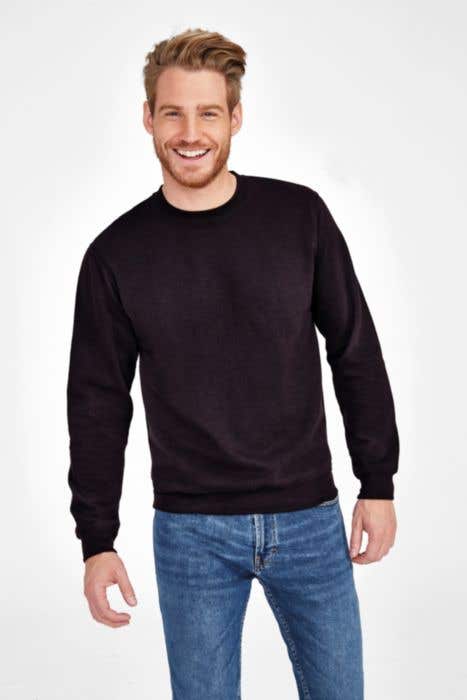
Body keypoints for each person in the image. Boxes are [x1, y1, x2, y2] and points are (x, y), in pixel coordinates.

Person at [66, 27, 399, 700]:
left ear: (235, 117)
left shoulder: (298, 217)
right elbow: (98, 404)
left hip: (309, 519)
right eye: (173, 113)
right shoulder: (115, 255)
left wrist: (378, 481)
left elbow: (354, 349)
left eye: (208, 113)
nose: (190, 133)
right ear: (148, 118)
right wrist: (96, 540)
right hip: (191, 533)